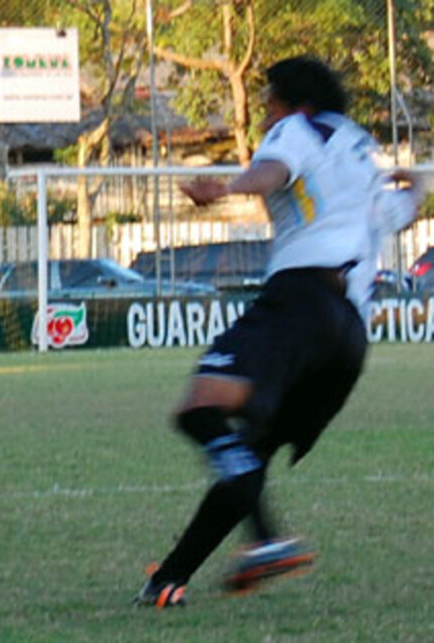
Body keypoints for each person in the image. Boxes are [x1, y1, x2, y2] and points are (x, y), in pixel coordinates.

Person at [134, 56, 421, 608]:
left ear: (297, 103)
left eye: (268, 101)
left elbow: (274, 171)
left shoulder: (298, 129)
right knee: (244, 458)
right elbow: (405, 205)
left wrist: (225, 189)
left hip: (301, 303)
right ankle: (166, 581)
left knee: (199, 410)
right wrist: (424, 182)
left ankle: (267, 539)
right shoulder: (359, 154)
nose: (265, 115)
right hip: (349, 338)